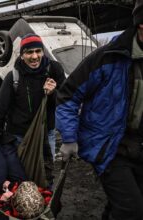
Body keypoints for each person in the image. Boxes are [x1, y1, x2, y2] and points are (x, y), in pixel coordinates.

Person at [56, 2, 143, 219]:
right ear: (141, 25)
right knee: (131, 210)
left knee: (125, 205)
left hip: (140, 146)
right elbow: (67, 95)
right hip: (110, 147)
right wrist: (68, 138)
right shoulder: (107, 57)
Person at [0, 33, 66, 194]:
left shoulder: (54, 69)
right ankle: (26, 206)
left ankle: (44, 206)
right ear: (22, 55)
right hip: (20, 136)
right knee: (24, 176)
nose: (34, 56)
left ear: (42, 52)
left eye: (38, 51)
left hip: (46, 133)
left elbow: (67, 101)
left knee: (45, 171)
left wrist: (54, 93)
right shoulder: (13, 77)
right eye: (29, 52)